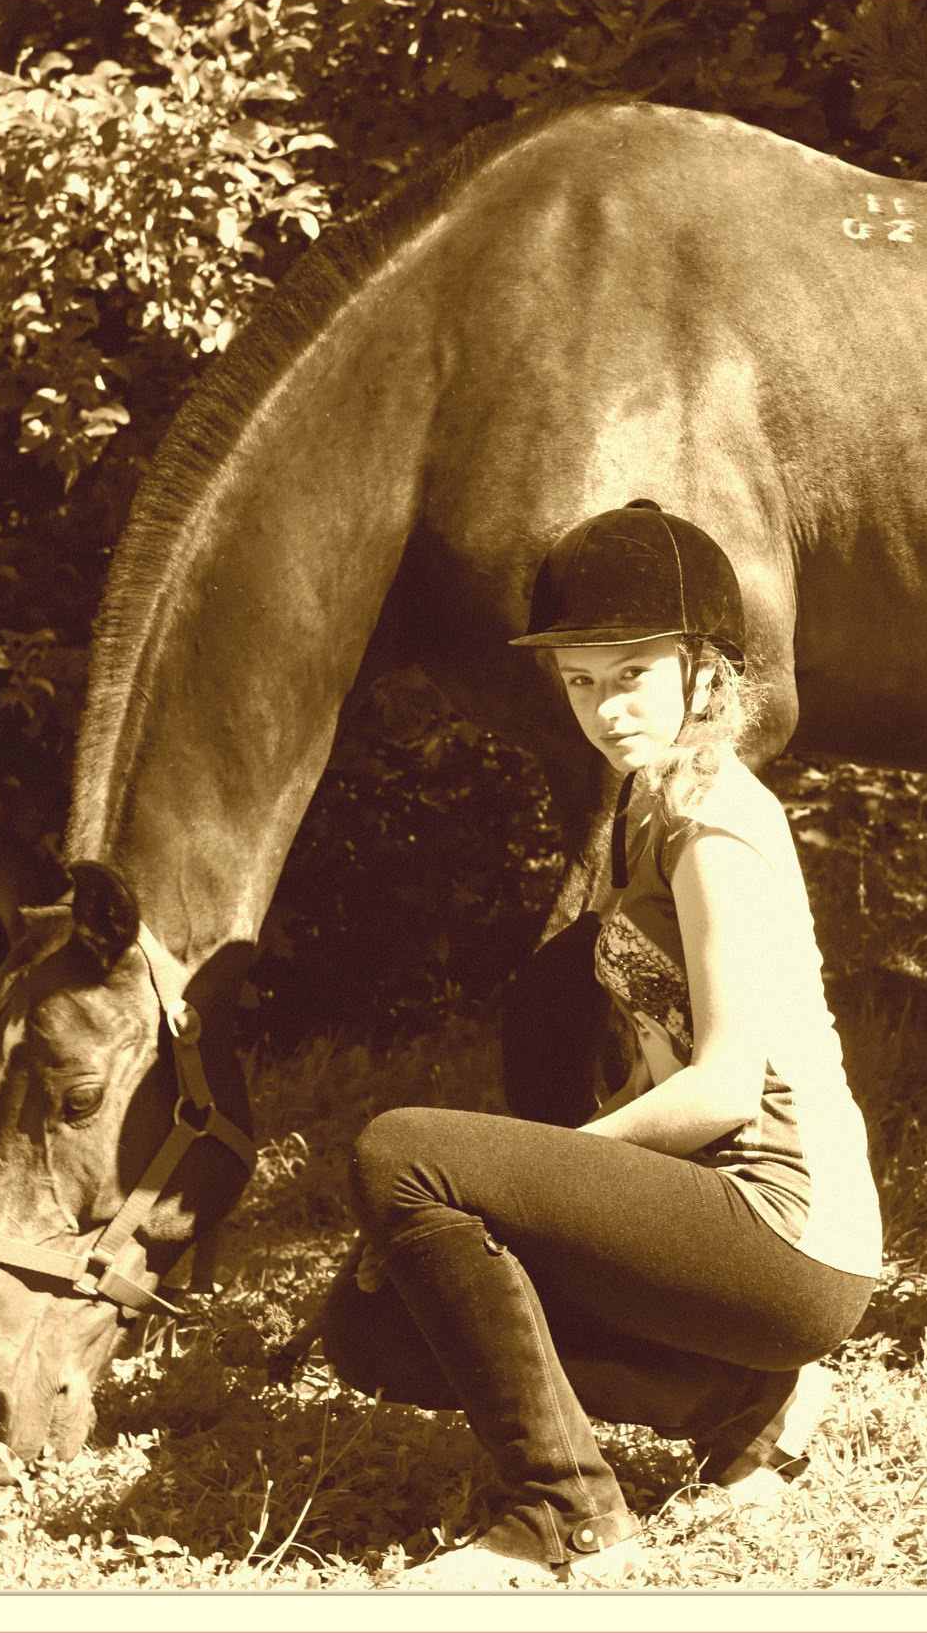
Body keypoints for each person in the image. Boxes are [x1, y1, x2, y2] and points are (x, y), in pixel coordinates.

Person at [318, 499, 884, 1586]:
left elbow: (723, 1090)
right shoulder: (642, 803)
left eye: (631, 673)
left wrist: (550, 1178)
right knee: (372, 1326)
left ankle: (559, 1517)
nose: (606, 707)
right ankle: (743, 1406)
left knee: (404, 1155)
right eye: (582, 681)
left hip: (784, 1227)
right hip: (710, 1227)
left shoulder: (714, 819)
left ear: (698, 668)